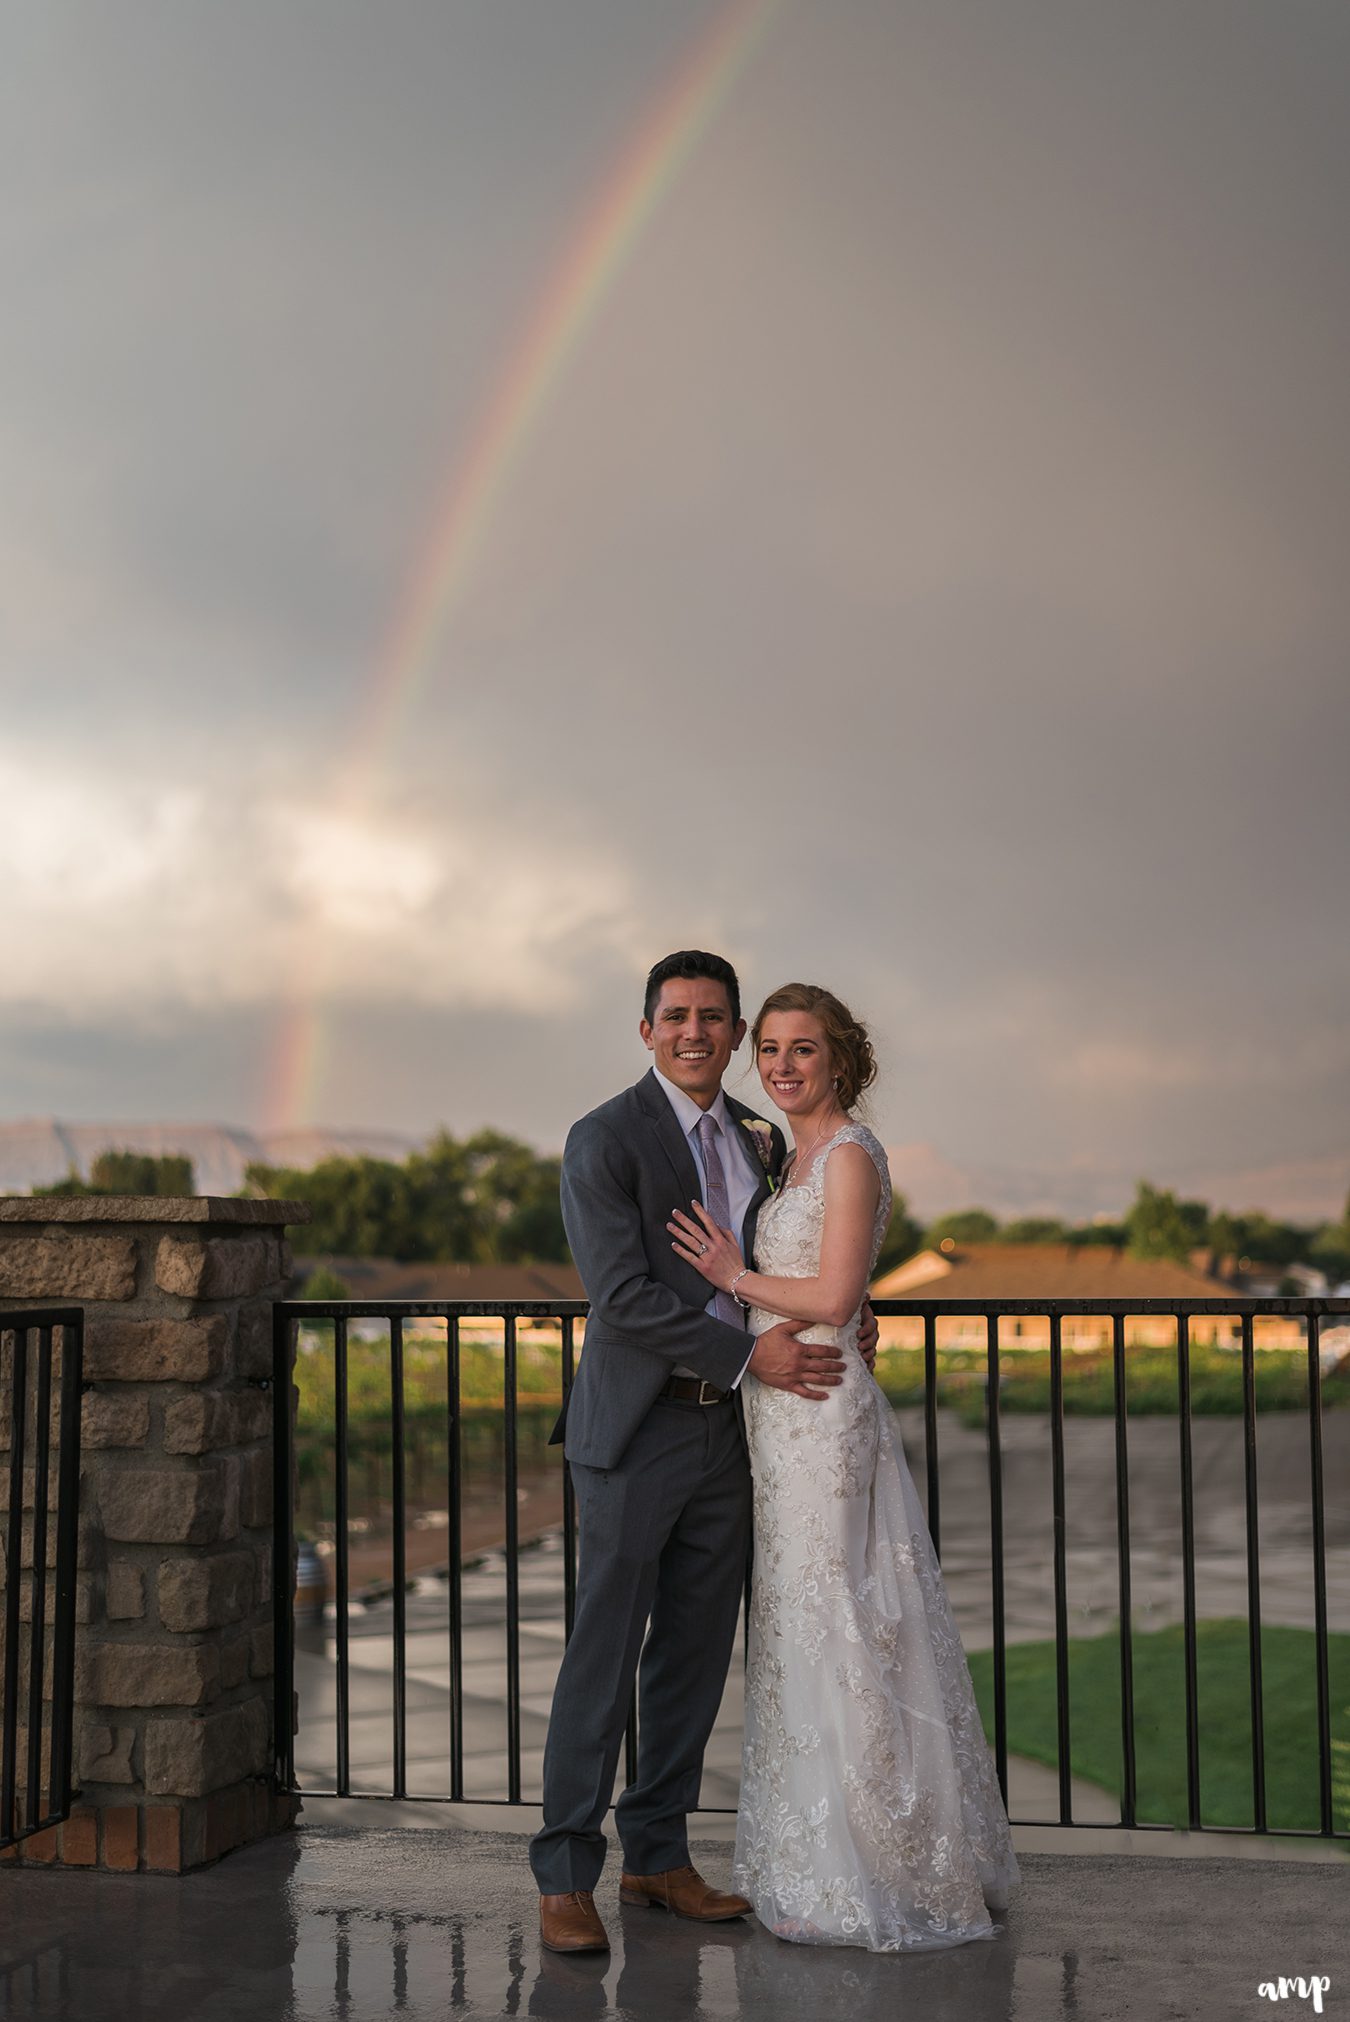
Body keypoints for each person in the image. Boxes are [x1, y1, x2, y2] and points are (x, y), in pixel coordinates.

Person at [529, 951, 880, 1955]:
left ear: (731, 1036)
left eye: (714, 1017)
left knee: (690, 1656)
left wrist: (844, 1313)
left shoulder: (759, 1136)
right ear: (647, 1031)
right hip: (638, 1434)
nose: (696, 1032)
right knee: (603, 1659)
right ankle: (563, 1874)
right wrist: (752, 1352)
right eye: (676, 1015)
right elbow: (623, 1296)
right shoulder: (605, 1139)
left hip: (733, 1437)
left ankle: (657, 1857)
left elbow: (789, 1259)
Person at [671, 982, 1020, 1952]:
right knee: (796, 1624)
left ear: (840, 1059)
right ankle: (805, 1863)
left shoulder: (852, 1154)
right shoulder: (790, 1159)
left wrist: (730, 1277)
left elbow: (831, 1290)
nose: (782, 1065)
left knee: (843, 1620)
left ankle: (882, 1869)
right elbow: (836, 1288)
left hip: (821, 1416)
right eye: (771, 1049)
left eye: (804, 1049)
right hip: (777, 1418)